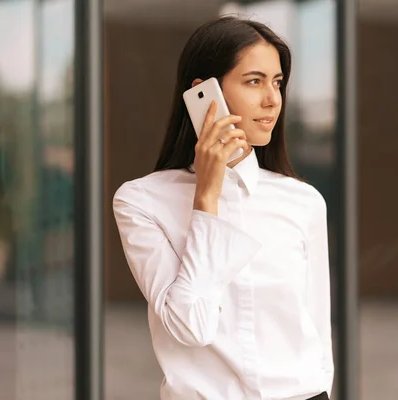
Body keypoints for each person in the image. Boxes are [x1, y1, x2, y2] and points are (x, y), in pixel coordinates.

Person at [113, 15, 333, 400]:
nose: (272, 100)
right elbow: (190, 325)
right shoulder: (141, 202)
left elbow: (317, 333)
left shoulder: (303, 202)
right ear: (204, 93)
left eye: (277, 82)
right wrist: (207, 198)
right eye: (254, 81)